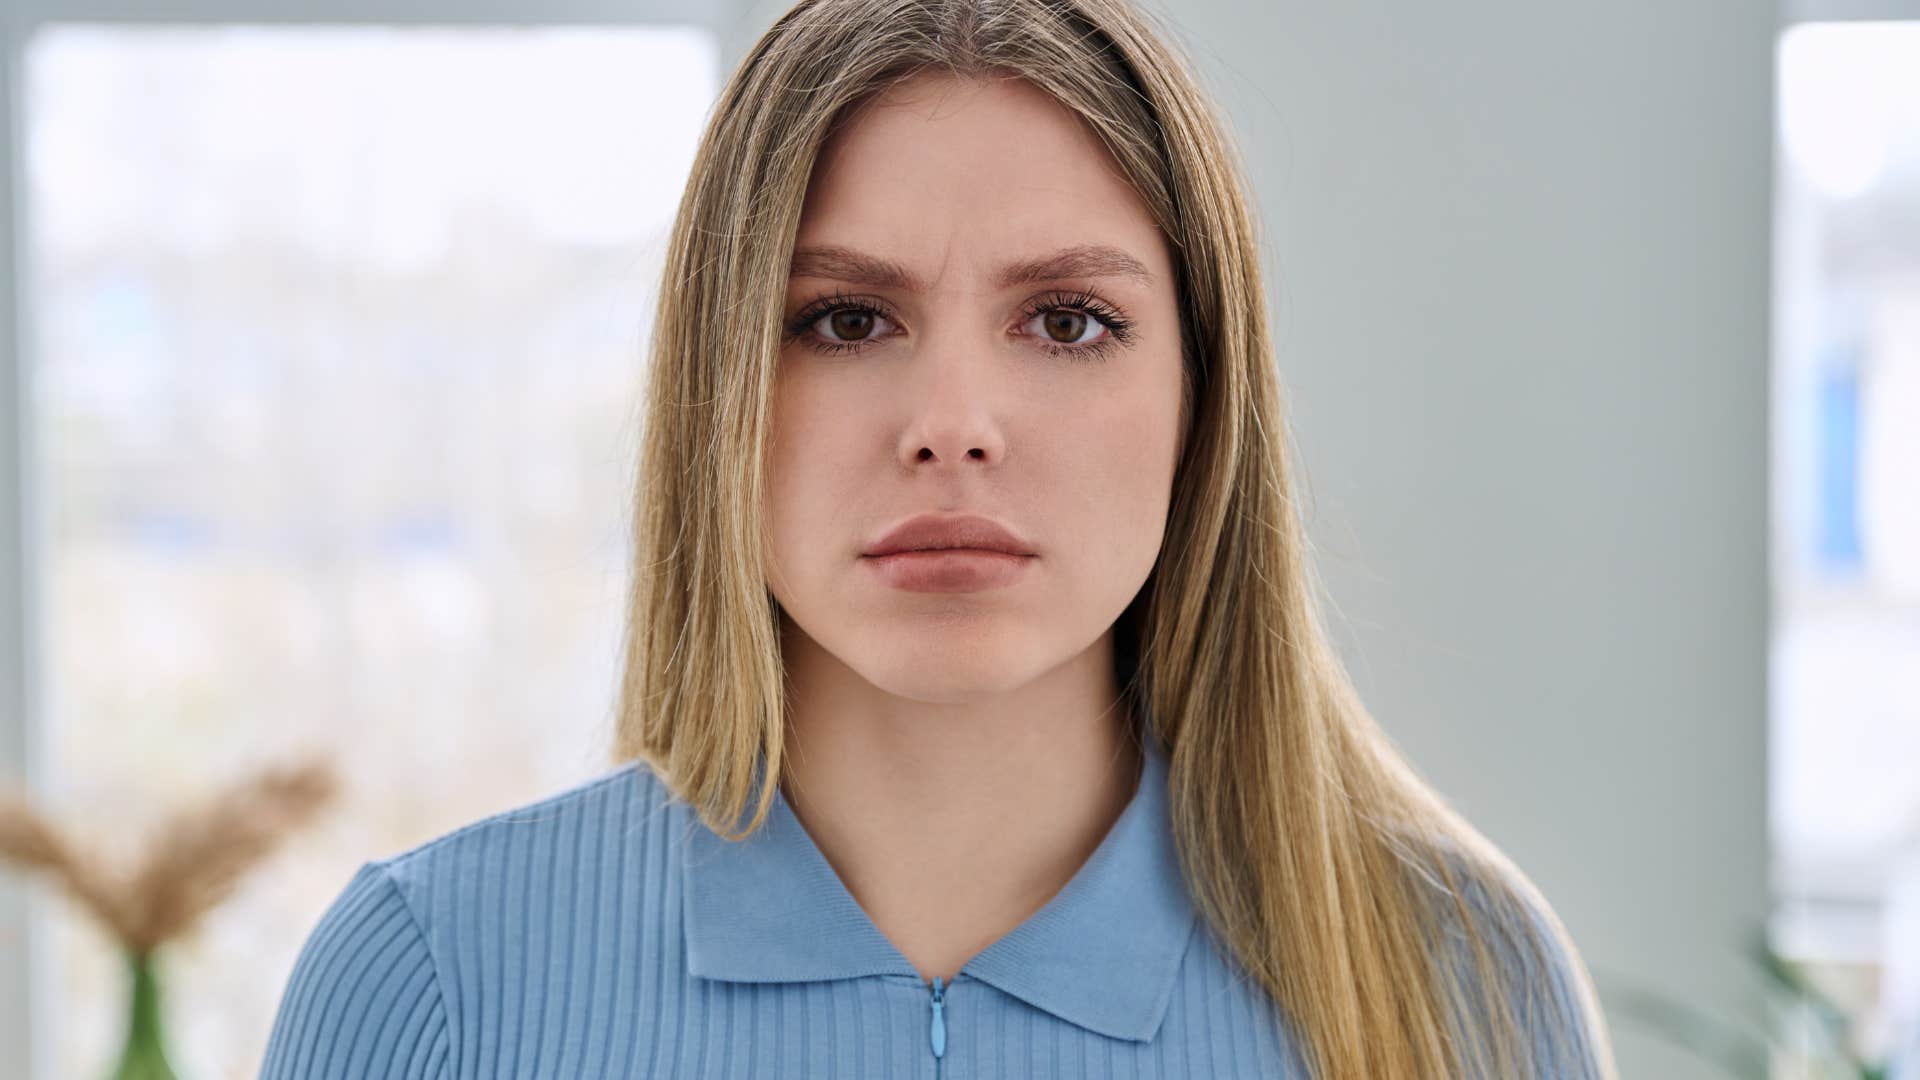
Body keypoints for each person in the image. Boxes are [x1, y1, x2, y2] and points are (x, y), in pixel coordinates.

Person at [260, 0, 1621, 1076]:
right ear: (717, 393)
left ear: (1207, 400)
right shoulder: (431, 981)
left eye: (1069, 321)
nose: (954, 424)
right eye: (846, 320)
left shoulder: (1459, 981)